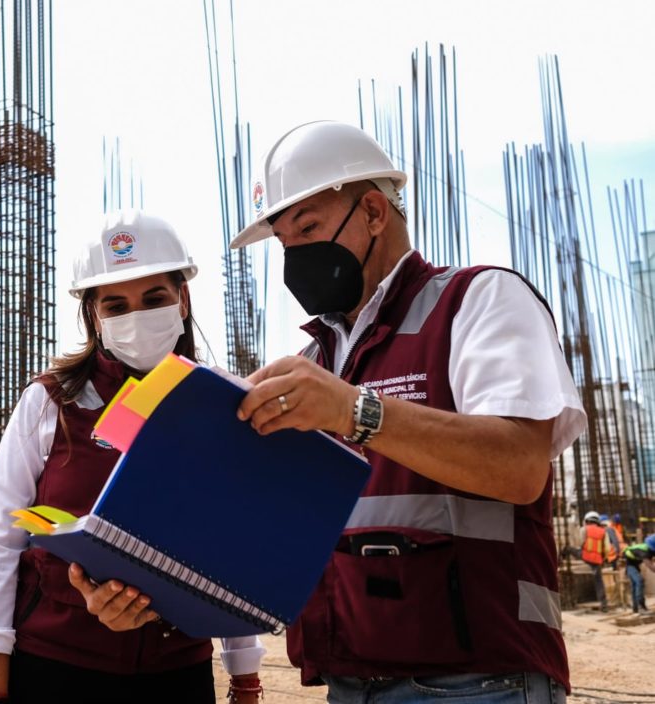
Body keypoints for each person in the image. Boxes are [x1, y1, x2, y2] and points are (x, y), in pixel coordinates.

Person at [227, 121, 586, 702]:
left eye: (310, 228)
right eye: (284, 242)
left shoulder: (478, 301)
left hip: (477, 682)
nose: (295, 256)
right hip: (349, 680)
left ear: (373, 212)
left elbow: (520, 466)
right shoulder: (316, 359)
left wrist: (356, 411)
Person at [0, 210, 265, 703]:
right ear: (94, 315)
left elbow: (232, 547)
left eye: (153, 298)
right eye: (116, 304)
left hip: (175, 673)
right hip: (55, 667)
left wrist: (244, 674)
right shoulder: (51, 401)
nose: (135, 316)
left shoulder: (218, 405)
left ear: (182, 300)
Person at [580, 511, 610, 610]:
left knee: (568, 549)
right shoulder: (603, 531)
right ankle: (604, 604)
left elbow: (581, 542)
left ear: (586, 520)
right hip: (597, 560)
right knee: (599, 582)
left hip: (584, 557)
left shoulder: (584, 529)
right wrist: (603, 559)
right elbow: (607, 549)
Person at [622, 535, 655, 613]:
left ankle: (636, 608)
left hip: (635, 564)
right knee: (639, 581)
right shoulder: (644, 551)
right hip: (629, 564)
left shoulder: (651, 550)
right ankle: (641, 607)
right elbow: (649, 565)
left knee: (635, 585)